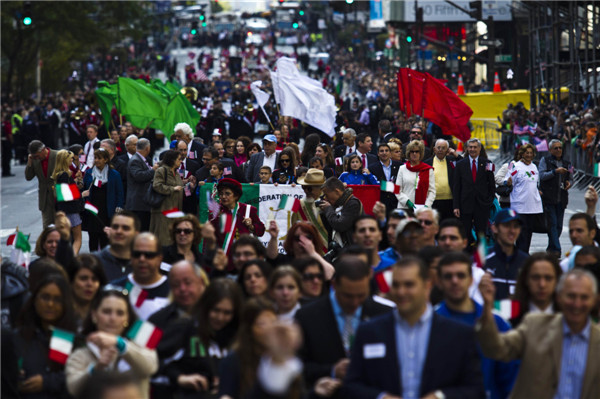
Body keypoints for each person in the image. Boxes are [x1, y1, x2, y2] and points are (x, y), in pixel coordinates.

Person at [343, 256, 485, 399]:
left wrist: (440, 396)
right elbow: (351, 386)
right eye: (396, 285)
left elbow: (476, 389)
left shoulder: (458, 334)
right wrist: (380, 397)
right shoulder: (369, 332)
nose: (401, 292)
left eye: (409, 285)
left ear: (427, 285)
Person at [476, 268, 600, 399]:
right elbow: (496, 349)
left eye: (584, 297)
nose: (577, 304)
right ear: (558, 297)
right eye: (571, 296)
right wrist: (487, 308)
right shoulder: (534, 325)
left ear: (595, 300)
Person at [295, 256, 393, 388]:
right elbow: (298, 367)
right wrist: (332, 370)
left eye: (361, 295)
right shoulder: (307, 316)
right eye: (348, 296)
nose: (355, 302)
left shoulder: (384, 313)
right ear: (334, 285)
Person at [434, 252, 519, 399]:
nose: (455, 281)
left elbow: (510, 377)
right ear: (439, 282)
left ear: (471, 280)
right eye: (448, 276)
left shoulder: (497, 323)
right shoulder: (429, 324)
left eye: (461, 275)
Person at [65, 287, 158, 399]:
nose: (113, 318)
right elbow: (73, 388)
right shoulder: (80, 353)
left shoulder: (139, 344)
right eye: (106, 311)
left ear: (127, 318)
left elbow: (150, 367)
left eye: (120, 313)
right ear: (94, 315)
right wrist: (96, 369)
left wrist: (120, 344)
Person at [163, 278, 243, 398]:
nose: (220, 318)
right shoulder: (184, 327)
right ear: (206, 307)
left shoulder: (241, 335)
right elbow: (151, 359)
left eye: (227, 313)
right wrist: (180, 378)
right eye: (216, 310)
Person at [218, 297, 303, 399]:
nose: (269, 329)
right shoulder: (233, 360)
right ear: (249, 329)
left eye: (273, 322)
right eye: (262, 324)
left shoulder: (287, 360)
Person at [148, 260, 210, 399]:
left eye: (188, 282)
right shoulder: (156, 319)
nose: (182, 289)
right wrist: (176, 377)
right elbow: (138, 355)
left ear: (201, 282)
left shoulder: (218, 316)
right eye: (176, 285)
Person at [14, 274, 77, 399]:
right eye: (45, 297)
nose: (50, 304)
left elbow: (80, 377)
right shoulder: (18, 337)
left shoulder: (70, 337)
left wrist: (48, 382)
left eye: (57, 299)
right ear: (35, 300)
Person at [112, 233, 170, 320]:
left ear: (159, 258)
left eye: (148, 255)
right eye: (137, 254)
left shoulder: (175, 292)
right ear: (130, 257)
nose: (142, 259)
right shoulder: (115, 289)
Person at [453, 138, 496, 246]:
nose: (472, 149)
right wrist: (456, 206)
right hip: (465, 205)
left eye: (475, 147)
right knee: (466, 234)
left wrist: (489, 201)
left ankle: (481, 258)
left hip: (482, 205)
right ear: (467, 148)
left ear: (479, 148)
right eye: (470, 147)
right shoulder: (460, 164)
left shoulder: (487, 163)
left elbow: (491, 185)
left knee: (481, 234)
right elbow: (456, 187)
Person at [82, 148, 124, 251]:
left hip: (107, 211)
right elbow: (84, 189)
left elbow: (119, 193)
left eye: (99, 158)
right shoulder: (89, 173)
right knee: (93, 239)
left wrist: (119, 206)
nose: (96, 160)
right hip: (92, 211)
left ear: (106, 159)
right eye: (95, 158)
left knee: (105, 239)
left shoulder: (114, 174)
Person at [210, 178, 265, 256]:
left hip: (245, 256)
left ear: (236, 196)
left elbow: (261, 231)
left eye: (227, 194)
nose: (223, 197)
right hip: (225, 258)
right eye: (221, 194)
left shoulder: (248, 210)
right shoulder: (217, 212)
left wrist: (251, 226)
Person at [504, 143, 543, 252]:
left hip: (532, 205)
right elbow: (507, 179)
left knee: (529, 231)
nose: (529, 155)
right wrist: (508, 182)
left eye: (531, 153)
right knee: (521, 231)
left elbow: (536, 183)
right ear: (522, 153)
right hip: (519, 205)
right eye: (527, 153)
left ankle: (524, 253)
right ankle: (520, 254)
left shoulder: (534, 166)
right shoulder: (514, 165)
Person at [539, 139, 573, 256]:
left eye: (560, 148)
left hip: (562, 198)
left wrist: (569, 183)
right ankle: (557, 250)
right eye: (556, 148)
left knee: (558, 225)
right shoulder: (545, 160)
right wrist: (555, 171)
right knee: (552, 223)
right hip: (549, 197)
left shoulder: (567, 162)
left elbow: (571, 177)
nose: (558, 150)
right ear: (550, 150)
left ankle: (551, 248)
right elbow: (542, 175)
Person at [485, 208, 529, 300]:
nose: (512, 231)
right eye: (507, 226)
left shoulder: (526, 262)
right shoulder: (483, 260)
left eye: (516, 226)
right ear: (495, 228)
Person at [511, 253, 562, 326]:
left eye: (548, 278)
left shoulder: (567, 314)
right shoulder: (511, 312)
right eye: (536, 278)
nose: (542, 285)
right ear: (526, 279)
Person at [149, 149, 184, 246]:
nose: (180, 161)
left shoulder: (176, 173)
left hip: (174, 211)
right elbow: (157, 186)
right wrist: (173, 189)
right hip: (163, 210)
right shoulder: (161, 170)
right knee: (163, 239)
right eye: (178, 159)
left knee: (172, 238)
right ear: (172, 160)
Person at [52, 149, 83, 254]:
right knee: (78, 239)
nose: (72, 161)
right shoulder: (64, 175)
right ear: (65, 160)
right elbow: (65, 195)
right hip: (71, 210)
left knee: (68, 239)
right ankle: (72, 260)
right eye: (71, 159)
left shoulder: (60, 174)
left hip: (65, 210)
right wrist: (81, 193)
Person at [94, 211, 140, 282]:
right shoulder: (93, 262)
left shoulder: (142, 266)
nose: (119, 231)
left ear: (136, 234)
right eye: (115, 227)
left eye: (125, 228)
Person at [319, 177, 364, 247]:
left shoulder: (353, 203)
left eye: (327, 195)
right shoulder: (337, 204)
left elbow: (340, 225)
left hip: (352, 251)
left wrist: (328, 209)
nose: (326, 198)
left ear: (337, 191)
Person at [126, 138, 158, 232]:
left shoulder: (141, 159)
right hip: (138, 204)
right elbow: (139, 176)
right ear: (148, 148)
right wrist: (153, 170)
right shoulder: (135, 160)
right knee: (140, 231)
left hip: (143, 204)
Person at [424, 139, 460, 221]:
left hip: (450, 201)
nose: (440, 150)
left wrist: (455, 154)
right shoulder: (427, 163)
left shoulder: (452, 161)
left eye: (443, 148)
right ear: (434, 149)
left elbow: (464, 164)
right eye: (438, 148)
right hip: (433, 201)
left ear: (447, 150)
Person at [292, 169, 329, 247]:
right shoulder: (296, 203)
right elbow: (292, 227)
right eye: (303, 187)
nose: (306, 191)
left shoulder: (329, 202)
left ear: (321, 188)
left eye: (309, 188)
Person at [68, 254, 107, 328]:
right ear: (71, 281)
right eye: (83, 278)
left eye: (94, 279)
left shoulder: (107, 314)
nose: (89, 284)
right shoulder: (60, 313)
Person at [25, 140, 58, 228]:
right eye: (34, 156)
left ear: (43, 150)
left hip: (57, 196)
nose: (36, 158)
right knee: (47, 227)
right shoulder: (34, 160)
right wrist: (29, 163)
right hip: (45, 198)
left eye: (37, 156)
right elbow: (28, 177)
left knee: (60, 227)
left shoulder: (56, 155)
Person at [395, 140, 436, 210]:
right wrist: (407, 201)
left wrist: (427, 205)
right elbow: (397, 190)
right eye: (412, 151)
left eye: (417, 151)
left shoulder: (428, 169)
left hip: (423, 209)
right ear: (408, 153)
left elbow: (432, 191)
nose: (414, 154)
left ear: (421, 153)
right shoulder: (402, 169)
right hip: (405, 207)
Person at [370, 143, 402, 212]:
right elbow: (374, 185)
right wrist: (393, 187)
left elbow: (401, 184)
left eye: (386, 151)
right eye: (381, 151)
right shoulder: (372, 168)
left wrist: (386, 186)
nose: (384, 153)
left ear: (390, 153)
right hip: (381, 203)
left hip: (397, 202)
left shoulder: (400, 166)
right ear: (378, 154)